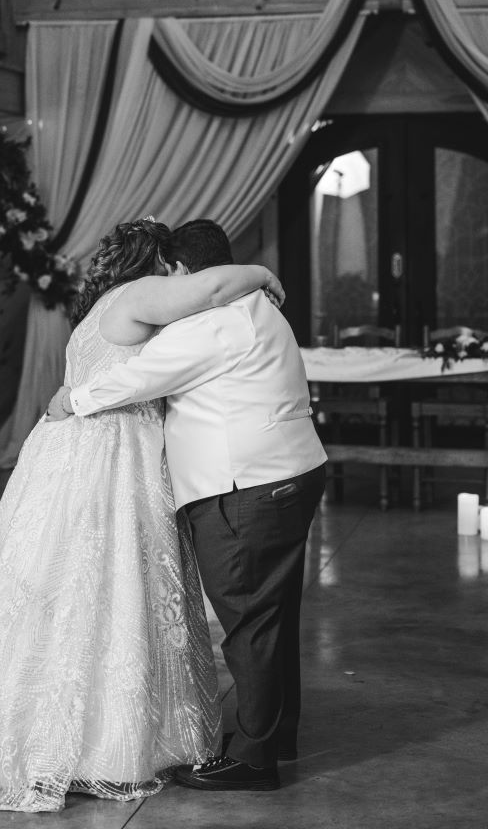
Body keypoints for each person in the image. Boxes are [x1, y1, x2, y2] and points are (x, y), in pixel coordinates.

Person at [0, 218, 285, 812]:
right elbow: (211, 291)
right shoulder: (138, 295)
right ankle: (100, 740)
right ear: (156, 262)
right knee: (109, 580)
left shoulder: (100, 308)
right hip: (110, 452)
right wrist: (262, 272)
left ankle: (57, 716)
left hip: (69, 452)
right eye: (168, 264)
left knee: (70, 584)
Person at [50, 219, 327, 794]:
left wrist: (72, 401)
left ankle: (254, 758)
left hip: (246, 485)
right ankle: (274, 733)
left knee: (249, 620)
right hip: (285, 471)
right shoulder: (253, 305)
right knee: (271, 618)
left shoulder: (213, 320)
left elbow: (144, 376)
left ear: (178, 271)